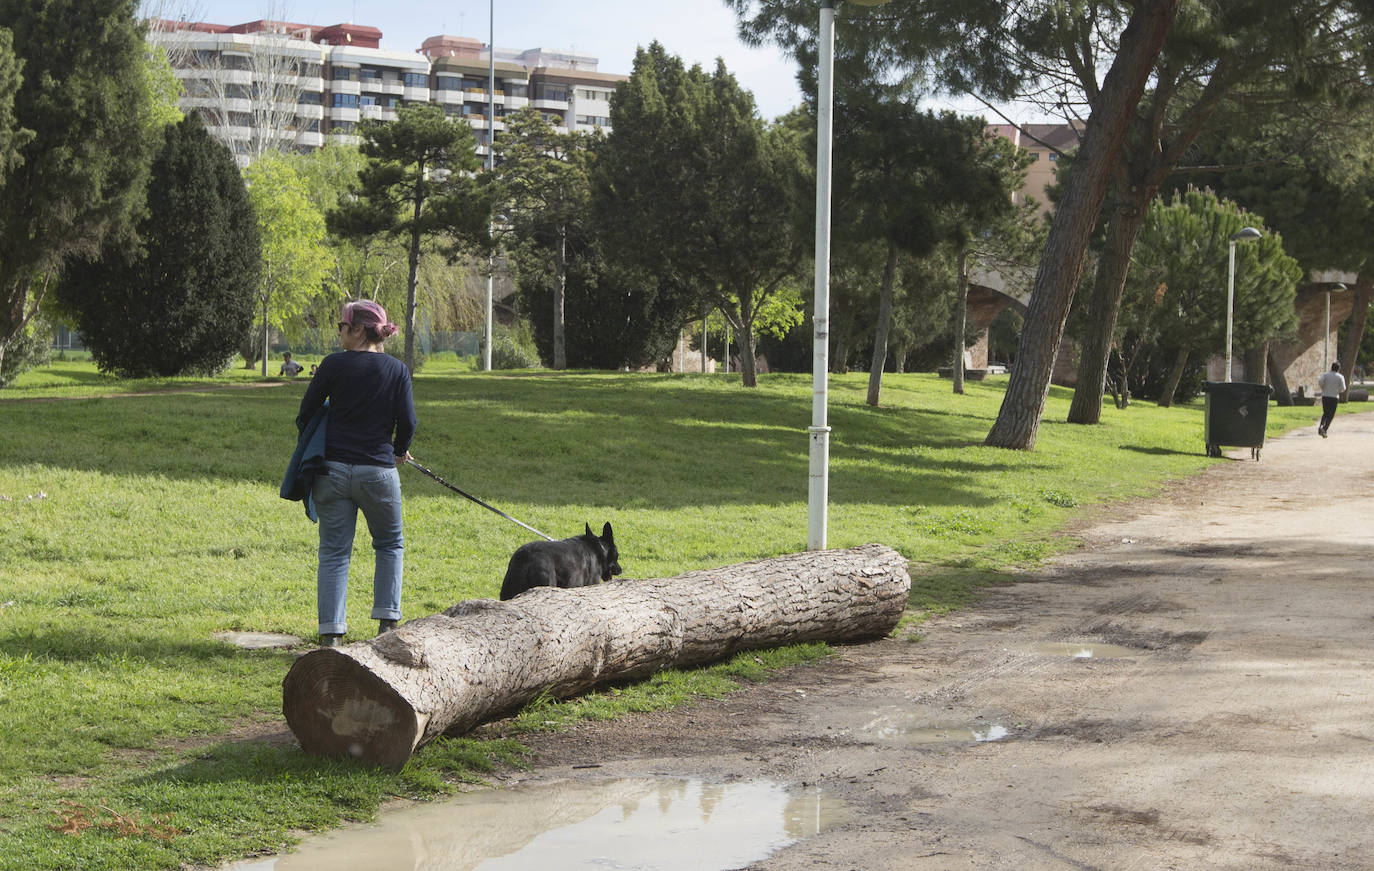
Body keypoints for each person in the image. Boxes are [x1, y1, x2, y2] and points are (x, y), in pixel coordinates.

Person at [295, 301, 417, 646]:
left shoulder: (334, 365)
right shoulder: (396, 370)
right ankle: (387, 625)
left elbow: (307, 413)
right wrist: (399, 449)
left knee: (334, 552)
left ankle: (331, 634)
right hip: (378, 472)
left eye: (342, 325)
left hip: (330, 472)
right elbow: (408, 421)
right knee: (390, 544)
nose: (339, 331)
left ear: (358, 329)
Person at [1317, 361, 1346, 438]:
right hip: (1334, 397)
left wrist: (1323, 387)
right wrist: (1338, 390)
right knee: (1331, 415)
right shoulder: (1340, 377)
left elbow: (1320, 381)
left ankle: (1321, 425)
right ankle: (1324, 429)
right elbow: (1343, 388)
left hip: (1325, 396)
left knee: (1325, 412)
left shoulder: (1326, 375)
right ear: (1338, 369)